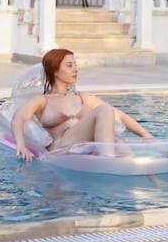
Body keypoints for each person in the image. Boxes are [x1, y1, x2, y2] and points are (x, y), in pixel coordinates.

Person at [12, 48, 152, 161]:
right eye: (69, 65)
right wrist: (21, 145)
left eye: (75, 65)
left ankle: (151, 179)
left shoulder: (82, 97)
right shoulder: (42, 100)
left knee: (120, 144)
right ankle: (107, 160)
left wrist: (145, 135)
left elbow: (118, 114)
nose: (75, 69)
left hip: (84, 145)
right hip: (61, 147)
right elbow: (18, 119)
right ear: (55, 71)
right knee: (104, 109)